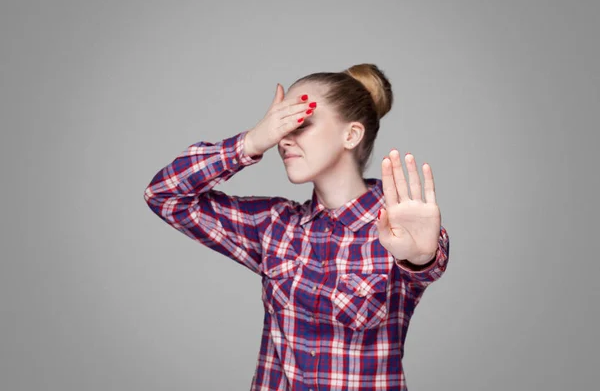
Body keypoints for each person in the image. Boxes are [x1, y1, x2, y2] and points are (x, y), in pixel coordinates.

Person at [144, 63, 450, 390]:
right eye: (279, 126)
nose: (282, 140)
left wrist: (422, 257)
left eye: (299, 124)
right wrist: (250, 142)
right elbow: (165, 194)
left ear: (351, 134)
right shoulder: (275, 226)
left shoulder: (397, 227)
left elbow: (424, 260)